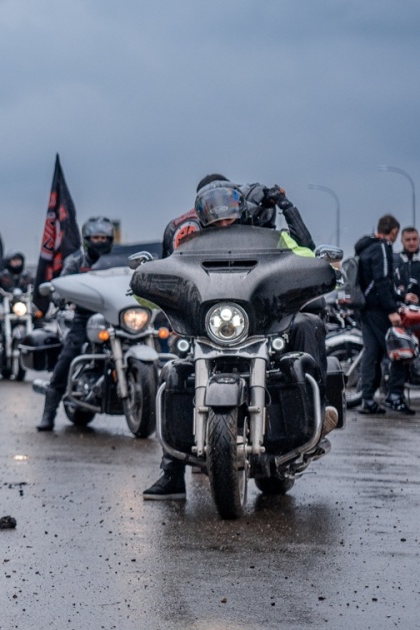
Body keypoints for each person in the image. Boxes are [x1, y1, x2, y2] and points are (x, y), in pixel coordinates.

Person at [143, 176, 336, 500]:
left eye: (227, 204)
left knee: (308, 323)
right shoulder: (188, 242)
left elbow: (306, 254)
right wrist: (151, 286)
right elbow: (170, 270)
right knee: (178, 370)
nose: (222, 213)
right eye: (213, 206)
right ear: (201, 211)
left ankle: (319, 415)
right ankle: (172, 472)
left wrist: (307, 259)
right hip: (212, 326)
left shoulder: (267, 238)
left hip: (262, 323)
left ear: (240, 204)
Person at [37, 217, 115, 431]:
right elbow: (63, 283)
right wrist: (61, 294)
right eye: (95, 237)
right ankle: (49, 413)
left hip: (115, 316)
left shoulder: (117, 261)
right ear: (87, 239)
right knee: (69, 354)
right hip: (84, 317)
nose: (99, 241)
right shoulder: (76, 261)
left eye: (103, 237)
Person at [356, 214, 410, 415]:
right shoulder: (382, 248)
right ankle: (394, 396)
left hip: (365, 308)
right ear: (394, 231)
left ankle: (368, 399)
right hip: (379, 309)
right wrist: (391, 310)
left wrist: (402, 296)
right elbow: (382, 281)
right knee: (399, 350)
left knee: (372, 354)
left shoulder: (366, 247)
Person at [394, 227, 420, 394]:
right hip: (404, 313)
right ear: (402, 241)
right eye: (408, 239)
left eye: (414, 239)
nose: (411, 243)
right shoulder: (397, 260)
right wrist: (403, 295)